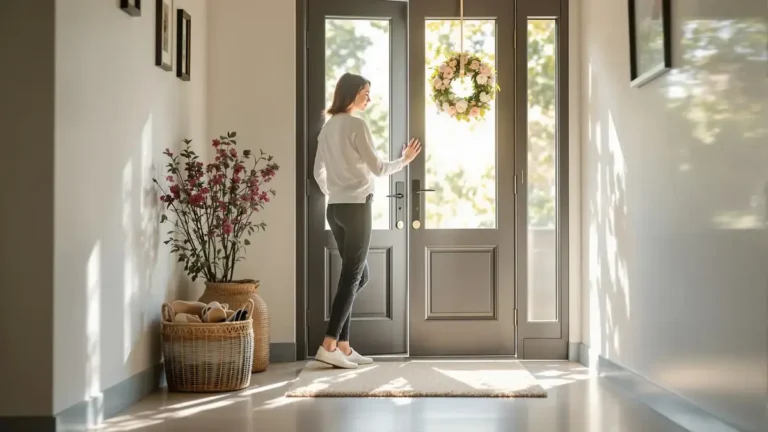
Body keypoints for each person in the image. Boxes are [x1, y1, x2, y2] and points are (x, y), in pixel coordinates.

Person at [313, 72, 421, 369]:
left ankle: (344, 346)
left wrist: (335, 191)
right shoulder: (356, 124)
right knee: (352, 276)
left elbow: (317, 172)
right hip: (357, 207)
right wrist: (405, 160)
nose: (369, 98)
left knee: (359, 276)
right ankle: (328, 344)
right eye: (365, 92)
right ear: (351, 93)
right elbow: (377, 168)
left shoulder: (327, 127)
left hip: (335, 209)